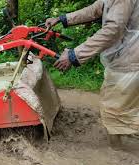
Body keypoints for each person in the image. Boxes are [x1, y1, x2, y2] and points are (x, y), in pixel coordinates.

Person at [45, 0, 139, 148]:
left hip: (130, 61)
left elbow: (113, 30)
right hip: (129, 57)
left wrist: (74, 55)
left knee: (113, 107)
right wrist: (63, 19)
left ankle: (118, 151)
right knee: (126, 105)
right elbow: (97, 8)